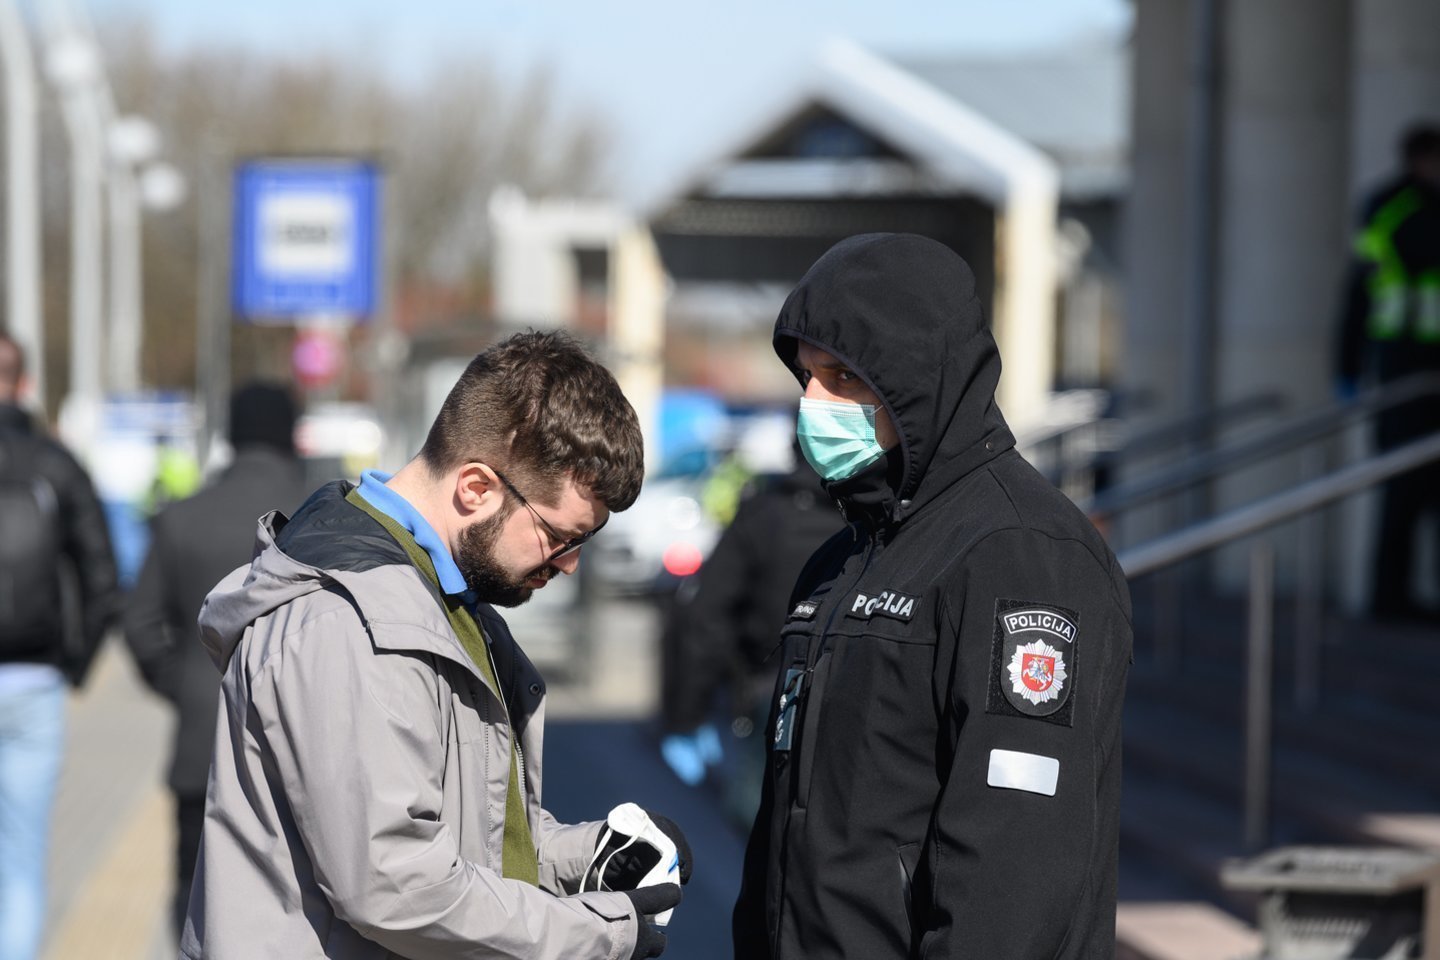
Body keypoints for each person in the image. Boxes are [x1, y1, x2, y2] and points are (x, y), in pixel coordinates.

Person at [183, 331, 688, 960]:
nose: (568, 566)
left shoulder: (436, 596)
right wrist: (598, 932)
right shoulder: (352, 622)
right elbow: (396, 884)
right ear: (475, 487)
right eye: (560, 537)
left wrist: (590, 856)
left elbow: (461, 831)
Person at [732, 234, 1133, 959]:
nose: (813, 401)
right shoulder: (844, 558)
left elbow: (1012, 874)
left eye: (844, 378)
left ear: (914, 384)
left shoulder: (1023, 555)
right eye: (807, 376)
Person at [122, 382, 312, 936]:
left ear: (231, 434)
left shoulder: (181, 515)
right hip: (299, 744)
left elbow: (139, 624)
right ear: (289, 433)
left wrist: (183, 683)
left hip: (201, 740)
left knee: (194, 895)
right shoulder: (322, 516)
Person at [0, 331, 119, 960]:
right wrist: (75, 665)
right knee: (21, 860)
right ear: (23, 385)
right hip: (36, 681)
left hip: (40, 676)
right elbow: (103, 576)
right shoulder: (55, 463)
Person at [659, 442, 844, 827]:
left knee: (757, 818)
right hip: (853, 694)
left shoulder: (765, 512)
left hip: (772, 691)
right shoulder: (881, 517)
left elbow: (705, 616)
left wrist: (688, 714)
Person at [1336, 122, 1440, 620]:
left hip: (1408, 368)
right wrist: (1348, 366)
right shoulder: (1395, 211)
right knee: (1402, 491)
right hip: (1405, 370)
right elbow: (1359, 294)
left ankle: (1396, 598)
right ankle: (1389, 600)